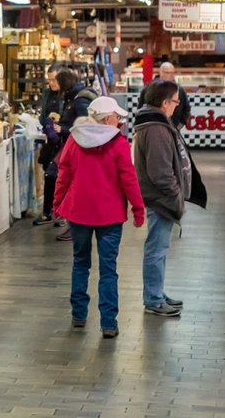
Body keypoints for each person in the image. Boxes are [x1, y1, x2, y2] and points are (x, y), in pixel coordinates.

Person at [53, 97, 146, 338]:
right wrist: (138, 209)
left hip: (79, 212)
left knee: (80, 262)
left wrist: (57, 204)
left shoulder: (74, 139)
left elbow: (64, 174)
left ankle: (79, 315)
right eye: (117, 117)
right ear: (107, 119)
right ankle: (108, 322)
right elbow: (128, 178)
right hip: (110, 214)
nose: (120, 121)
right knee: (108, 269)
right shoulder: (118, 143)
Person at [133, 80, 206, 318]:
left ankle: (157, 293)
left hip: (162, 199)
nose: (177, 106)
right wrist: (176, 196)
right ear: (165, 103)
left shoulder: (158, 124)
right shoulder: (156, 129)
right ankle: (153, 299)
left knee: (160, 249)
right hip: (161, 200)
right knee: (156, 249)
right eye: (175, 101)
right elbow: (160, 172)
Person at [52, 67, 99, 242]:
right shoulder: (75, 96)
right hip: (75, 146)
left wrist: (62, 128)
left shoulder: (79, 100)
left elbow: (85, 126)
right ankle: (72, 224)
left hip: (77, 147)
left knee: (73, 186)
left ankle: (74, 226)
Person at [34, 65, 65, 226]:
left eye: (54, 79)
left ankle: (61, 213)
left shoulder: (67, 94)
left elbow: (71, 118)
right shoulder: (46, 94)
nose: (51, 83)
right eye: (49, 80)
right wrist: (47, 121)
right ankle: (47, 212)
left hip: (63, 141)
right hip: (50, 139)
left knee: (61, 176)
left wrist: (61, 120)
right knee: (48, 174)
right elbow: (42, 115)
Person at [139, 62, 191, 128]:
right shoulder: (149, 88)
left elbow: (186, 108)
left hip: (173, 127)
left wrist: (179, 126)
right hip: (152, 127)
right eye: (168, 73)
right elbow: (141, 108)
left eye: (172, 73)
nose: (171, 76)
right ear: (161, 72)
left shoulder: (179, 89)